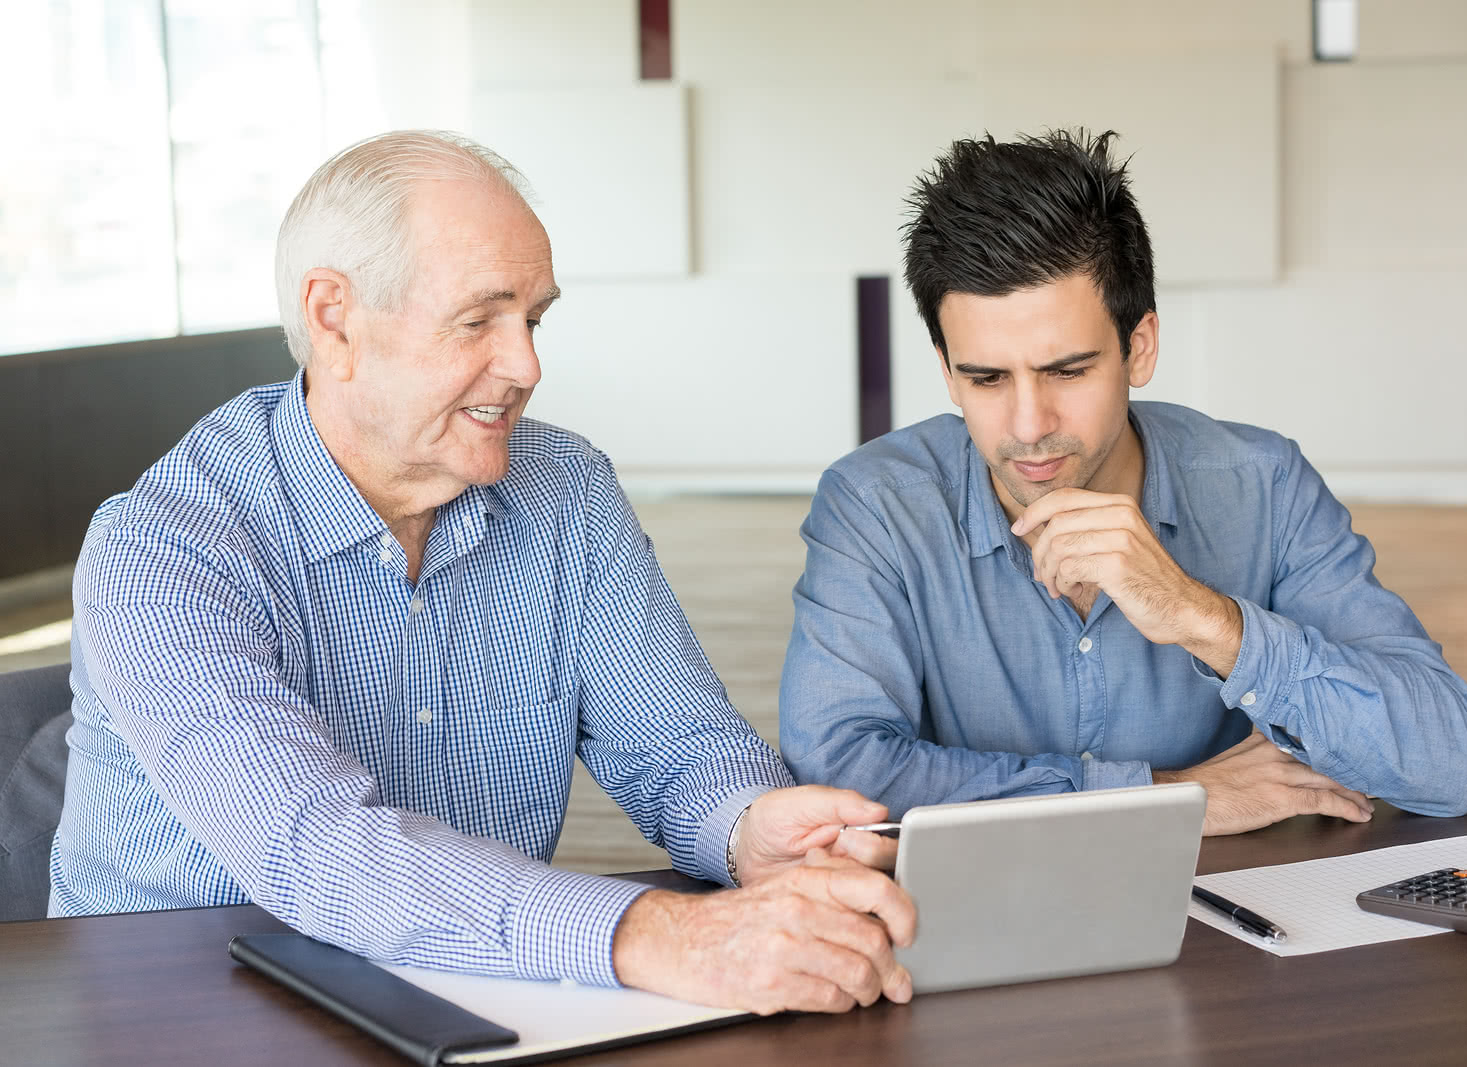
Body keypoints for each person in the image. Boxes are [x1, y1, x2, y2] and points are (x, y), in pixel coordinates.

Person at [50, 131, 914, 1015]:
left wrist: (744, 828)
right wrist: (659, 934)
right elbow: (317, 847)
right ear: (333, 318)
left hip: (473, 989)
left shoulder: (565, 490)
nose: (528, 365)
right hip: (190, 1010)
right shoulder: (161, 547)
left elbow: (678, 746)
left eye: (533, 319)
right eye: (479, 320)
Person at [780, 129, 1467, 834]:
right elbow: (839, 777)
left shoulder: (1263, 486)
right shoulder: (875, 505)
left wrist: (1205, 618)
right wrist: (1165, 796)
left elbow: (1448, 764)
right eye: (987, 378)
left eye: (1067, 370)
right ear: (946, 370)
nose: (1028, 424)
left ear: (1139, 347)